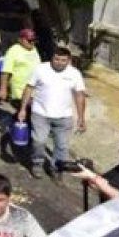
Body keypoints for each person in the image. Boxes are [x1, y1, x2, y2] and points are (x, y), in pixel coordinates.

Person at [17, 47, 87, 178]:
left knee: (62, 146)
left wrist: (81, 118)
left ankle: (57, 168)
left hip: (64, 117)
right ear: (52, 58)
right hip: (40, 114)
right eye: (57, 59)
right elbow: (29, 88)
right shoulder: (40, 69)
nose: (59, 62)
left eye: (63, 60)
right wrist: (22, 109)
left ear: (69, 60)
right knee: (39, 141)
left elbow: (79, 95)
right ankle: (37, 164)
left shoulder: (74, 74)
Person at [0, 29, 41, 108]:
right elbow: (6, 71)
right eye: (29, 40)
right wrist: (3, 89)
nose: (32, 42)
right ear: (20, 40)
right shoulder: (13, 50)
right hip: (20, 90)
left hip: (34, 90)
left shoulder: (34, 49)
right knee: (24, 113)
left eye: (34, 40)